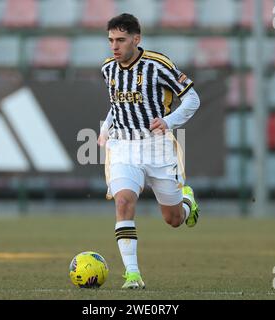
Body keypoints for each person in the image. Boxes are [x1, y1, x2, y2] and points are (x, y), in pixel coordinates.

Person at [97, 13, 201, 289]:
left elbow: (192, 97)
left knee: (174, 219)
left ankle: (186, 202)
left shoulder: (158, 65)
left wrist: (168, 122)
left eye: (120, 40)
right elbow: (118, 105)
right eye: (111, 40)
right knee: (123, 202)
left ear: (136, 39)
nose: (114, 46)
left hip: (157, 148)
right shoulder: (108, 68)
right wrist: (106, 128)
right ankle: (132, 275)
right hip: (123, 147)